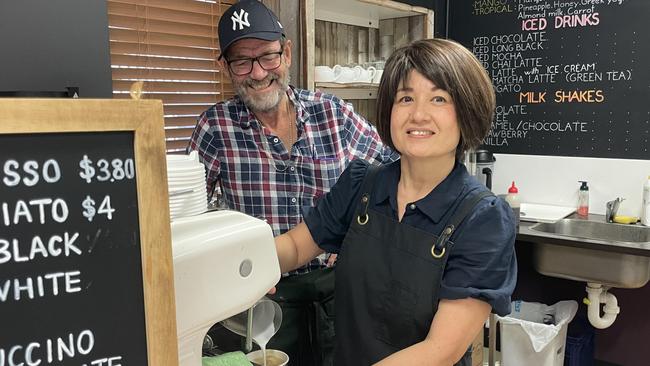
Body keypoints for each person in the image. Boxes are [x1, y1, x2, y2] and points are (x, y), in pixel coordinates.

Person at [274, 38, 518, 366]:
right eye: (406, 98)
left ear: (467, 112)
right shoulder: (362, 184)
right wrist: (243, 271)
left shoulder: (483, 220)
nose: (418, 114)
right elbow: (295, 246)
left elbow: (440, 351)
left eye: (439, 98)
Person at [187, 0, 398, 364]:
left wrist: (366, 244)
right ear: (225, 67)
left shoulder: (333, 113)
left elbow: (395, 172)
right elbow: (188, 220)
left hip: (339, 291)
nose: (257, 73)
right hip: (260, 299)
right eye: (242, 61)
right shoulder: (215, 128)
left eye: (267, 56)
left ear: (286, 53)